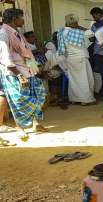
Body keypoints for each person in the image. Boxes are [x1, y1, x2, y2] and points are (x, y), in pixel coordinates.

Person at [0, 8, 47, 137]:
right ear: (14, 19)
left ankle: (36, 123)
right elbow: (5, 58)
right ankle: (19, 127)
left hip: (27, 70)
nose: (23, 20)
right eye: (21, 17)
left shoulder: (17, 32)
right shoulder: (4, 33)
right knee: (19, 101)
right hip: (14, 73)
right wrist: (19, 75)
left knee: (38, 94)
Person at [57, 14, 96, 106]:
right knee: (84, 79)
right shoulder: (79, 32)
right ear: (76, 23)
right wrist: (80, 27)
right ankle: (85, 99)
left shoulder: (60, 32)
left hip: (69, 59)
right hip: (81, 58)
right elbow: (91, 34)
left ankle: (74, 98)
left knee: (73, 79)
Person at [90, 7, 103, 101]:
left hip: (99, 53)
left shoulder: (95, 25)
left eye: (94, 15)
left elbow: (92, 38)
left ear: (99, 14)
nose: (93, 17)